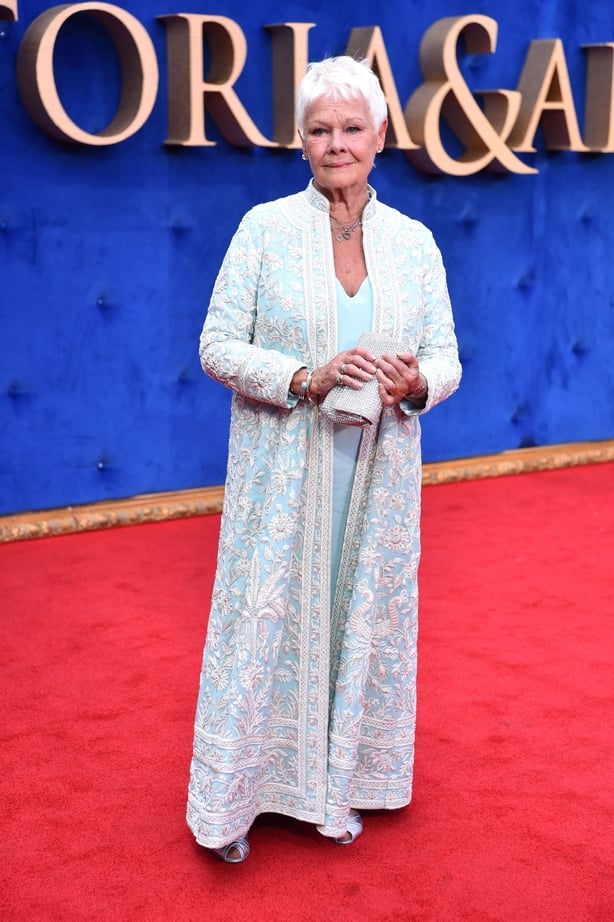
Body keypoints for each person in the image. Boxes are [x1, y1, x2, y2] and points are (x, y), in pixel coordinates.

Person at [187, 55, 461, 863]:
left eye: (351, 128)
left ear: (380, 135)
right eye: (319, 130)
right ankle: (236, 803)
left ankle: (336, 788)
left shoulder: (414, 243)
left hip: (377, 475)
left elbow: (447, 357)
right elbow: (215, 346)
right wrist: (305, 377)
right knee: (265, 626)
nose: (336, 143)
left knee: (356, 617)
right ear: (299, 140)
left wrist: (418, 383)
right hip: (283, 472)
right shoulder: (264, 229)